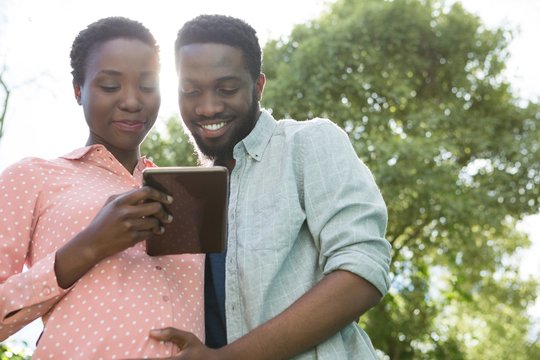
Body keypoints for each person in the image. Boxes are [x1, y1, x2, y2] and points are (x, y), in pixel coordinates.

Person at [147, 14, 392, 359]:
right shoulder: (186, 194)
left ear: (258, 86)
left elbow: (360, 272)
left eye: (227, 89)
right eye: (191, 91)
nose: (208, 107)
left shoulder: (308, 143)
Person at [0, 17, 204, 358]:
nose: (132, 101)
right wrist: (88, 246)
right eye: (110, 86)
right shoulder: (34, 177)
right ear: (78, 89)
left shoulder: (190, 193)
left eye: (148, 86)